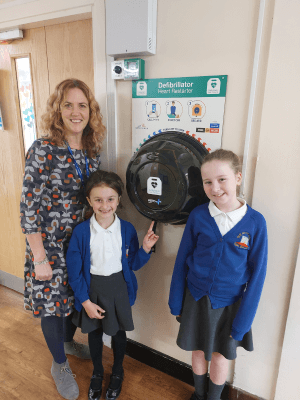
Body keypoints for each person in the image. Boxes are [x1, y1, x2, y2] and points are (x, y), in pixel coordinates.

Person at [20, 78, 105, 400]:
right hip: (49, 245)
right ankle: (59, 363)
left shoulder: (93, 150)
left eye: (82, 105)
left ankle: (68, 342)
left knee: (73, 298)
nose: (75, 112)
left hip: (81, 242)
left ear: (90, 111)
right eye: (68, 104)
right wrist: (39, 256)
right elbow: (28, 205)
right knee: (52, 307)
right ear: (58, 110)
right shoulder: (43, 149)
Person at [168, 149, 268, 400]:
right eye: (208, 182)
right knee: (198, 351)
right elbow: (182, 261)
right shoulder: (198, 216)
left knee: (220, 356)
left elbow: (258, 276)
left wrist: (244, 321)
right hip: (196, 298)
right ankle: (199, 393)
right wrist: (176, 300)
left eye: (222, 179)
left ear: (237, 177)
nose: (215, 188)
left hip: (229, 304)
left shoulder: (256, 223)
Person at [66, 170, 159, 400]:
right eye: (98, 200)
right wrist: (85, 301)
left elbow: (133, 264)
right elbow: (74, 272)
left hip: (119, 290)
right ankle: (97, 372)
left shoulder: (126, 229)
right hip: (91, 291)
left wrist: (145, 248)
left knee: (118, 334)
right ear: (89, 201)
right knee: (95, 334)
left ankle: (118, 371)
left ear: (118, 200)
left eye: (110, 199)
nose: (105, 205)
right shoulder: (81, 232)